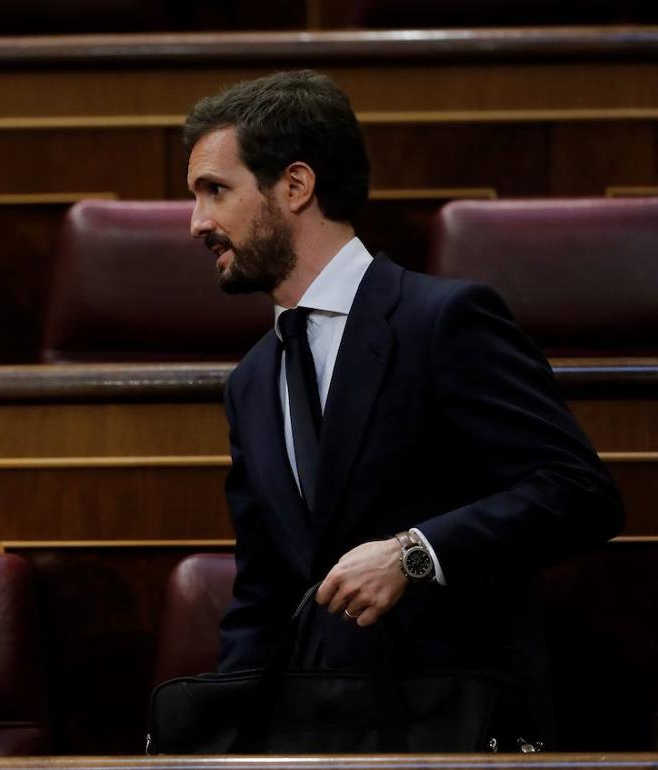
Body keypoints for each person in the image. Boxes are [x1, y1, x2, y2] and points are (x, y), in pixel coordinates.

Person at [184, 70, 623, 748]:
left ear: (295, 186)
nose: (197, 224)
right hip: (322, 737)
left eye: (216, 191)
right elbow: (263, 593)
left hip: (458, 726)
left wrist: (414, 553)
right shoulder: (251, 379)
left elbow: (579, 493)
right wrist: (226, 745)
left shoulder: (443, 321)